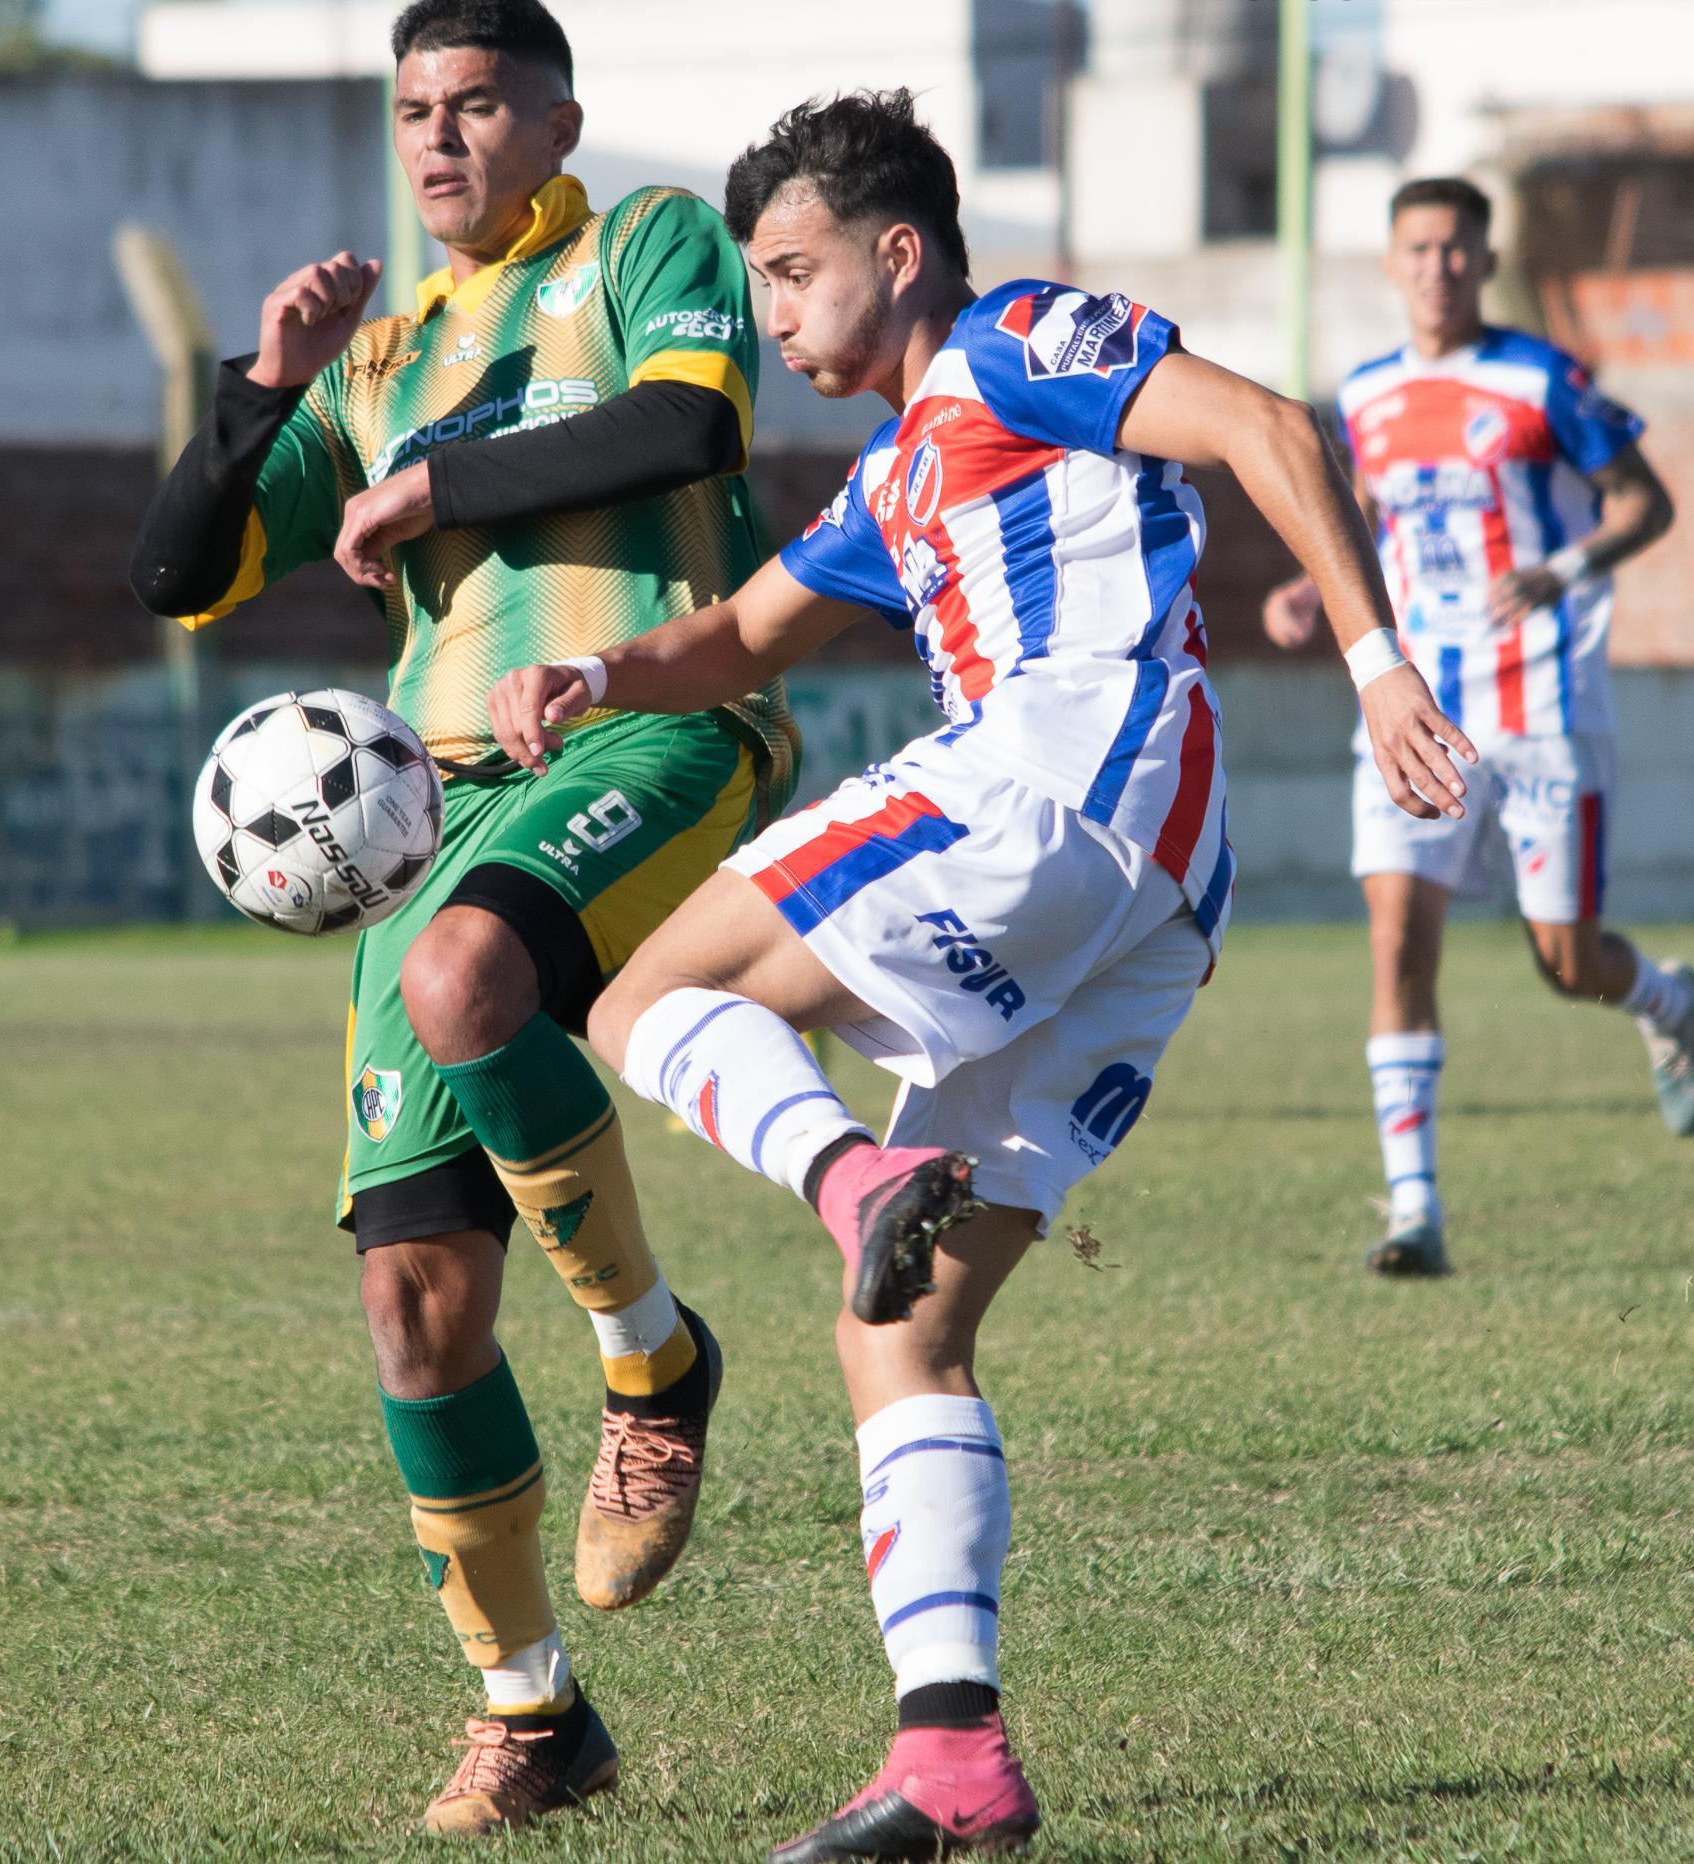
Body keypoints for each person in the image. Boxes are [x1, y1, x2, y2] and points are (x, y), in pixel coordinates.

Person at [486, 91, 1469, 1862]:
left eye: (793, 272)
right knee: (902, 1322)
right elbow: (739, 636)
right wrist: (598, 672)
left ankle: (854, 1168)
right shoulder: (890, 475)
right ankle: (952, 1756)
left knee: (636, 995)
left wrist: (1385, 662)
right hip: (1155, 885)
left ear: (902, 251)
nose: (774, 314)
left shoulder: (1017, 340)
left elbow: (1262, 421)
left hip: (1055, 765)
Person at [129, 0, 800, 1834]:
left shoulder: (641, 243)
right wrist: (265, 391)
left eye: (480, 102)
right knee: (413, 1307)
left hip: (653, 729)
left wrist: (446, 478)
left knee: (463, 966)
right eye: (417, 107)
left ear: (555, 112)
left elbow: (686, 421)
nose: (442, 138)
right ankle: (533, 1712)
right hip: (427, 807)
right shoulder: (382, 355)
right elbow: (182, 571)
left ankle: (655, 1362)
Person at [1263, 176, 1681, 1278]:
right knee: (1398, 939)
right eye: (1418, 248)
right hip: (1414, 708)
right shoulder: (1362, 395)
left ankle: (1664, 999)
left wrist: (1562, 568)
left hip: (1541, 707)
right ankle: (1415, 1213)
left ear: (1484, 260)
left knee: (1566, 960)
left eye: (1456, 248)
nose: (1437, 266)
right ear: (1391, 262)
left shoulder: (1541, 378)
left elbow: (1648, 503)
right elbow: (1360, 520)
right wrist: (1317, 593)